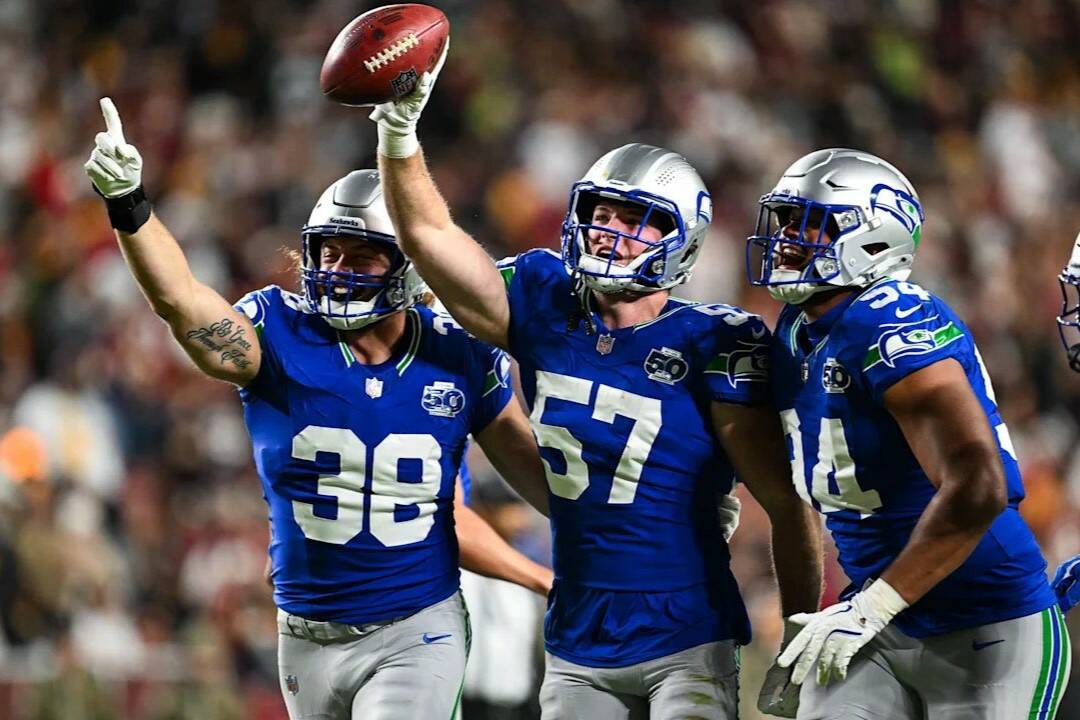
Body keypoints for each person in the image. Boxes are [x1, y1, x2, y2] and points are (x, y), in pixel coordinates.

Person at [367, 50, 823, 720]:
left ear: (683, 242)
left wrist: (798, 635)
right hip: (580, 637)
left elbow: (789, 506)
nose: (610, 231)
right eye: (602, 213)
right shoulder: (545, 298)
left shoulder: (715, 342)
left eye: (636, 219)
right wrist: (399, 136)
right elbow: (430, 236)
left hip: (686, 629)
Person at [84, 97, 555, 720]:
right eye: (327, 252)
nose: (336, 270)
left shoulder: (459, 351)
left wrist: (632, 533)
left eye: (359, 255)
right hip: (304, 635)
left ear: (408, 267)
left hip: (418, 628)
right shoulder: (278, 335)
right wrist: (129, 204)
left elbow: (531, 470)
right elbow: (181, 302)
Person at [747, 147, 1069, 718]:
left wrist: (874, 606)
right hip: (877, 618)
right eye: (787, 221)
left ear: (873, 241)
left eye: (813, 225)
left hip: (985, 619)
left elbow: (980, 487)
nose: (789, 238)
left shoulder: (891, 322)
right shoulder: (798, 327)